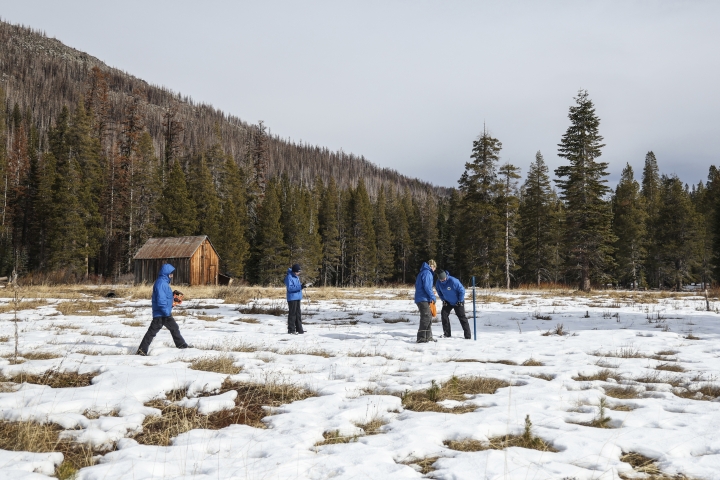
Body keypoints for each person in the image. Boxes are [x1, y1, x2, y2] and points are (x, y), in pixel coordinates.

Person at [136, 264, 191, 355]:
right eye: (171, 274)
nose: (172, 275)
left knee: (174, 328)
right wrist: (167, 312)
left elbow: (165, 298)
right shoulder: (161, 283)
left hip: (164, 312)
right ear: (166, 274)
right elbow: (161, 301)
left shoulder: (163, 283)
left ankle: (182, 345)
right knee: (152, 332)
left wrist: (173, 299)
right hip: (162, 313)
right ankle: (141, 351)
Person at [435, 270, 471, 339]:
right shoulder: (438, 283)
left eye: (444, 278)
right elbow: (439, 292)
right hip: (448, 302)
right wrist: (443, 300)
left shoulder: (453, 281)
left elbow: (462, 290)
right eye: (441, 279)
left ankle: (468, 336)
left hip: (458, 301)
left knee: (462, 317)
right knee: (444, 315)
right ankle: (447, 333)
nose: (443, 280)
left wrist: (460, 301)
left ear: (446, 276)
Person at [414, 259, 437, 343]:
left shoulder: (422, 272)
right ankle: (421, 338)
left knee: (429, 317)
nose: (435, 269)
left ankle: (428, 336)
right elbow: (427, 287)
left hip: (423, 298)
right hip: (422, 298)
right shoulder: (427, 273)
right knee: (426, 317)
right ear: (432, 266)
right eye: (435, 267)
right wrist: (433, 297)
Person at [284, 263, 307, 334]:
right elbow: (290, 288)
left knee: (298, 314)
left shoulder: (296, 277)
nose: (298, 273)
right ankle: (291, 330)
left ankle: (299, 329)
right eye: (297, 272)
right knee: (292, 314)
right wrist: (300, 287)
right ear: (294, 271)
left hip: (297, 297)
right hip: (292, 298)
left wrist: (302, 285)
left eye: (299, 272)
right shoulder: (289, 277)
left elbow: (297, 286)